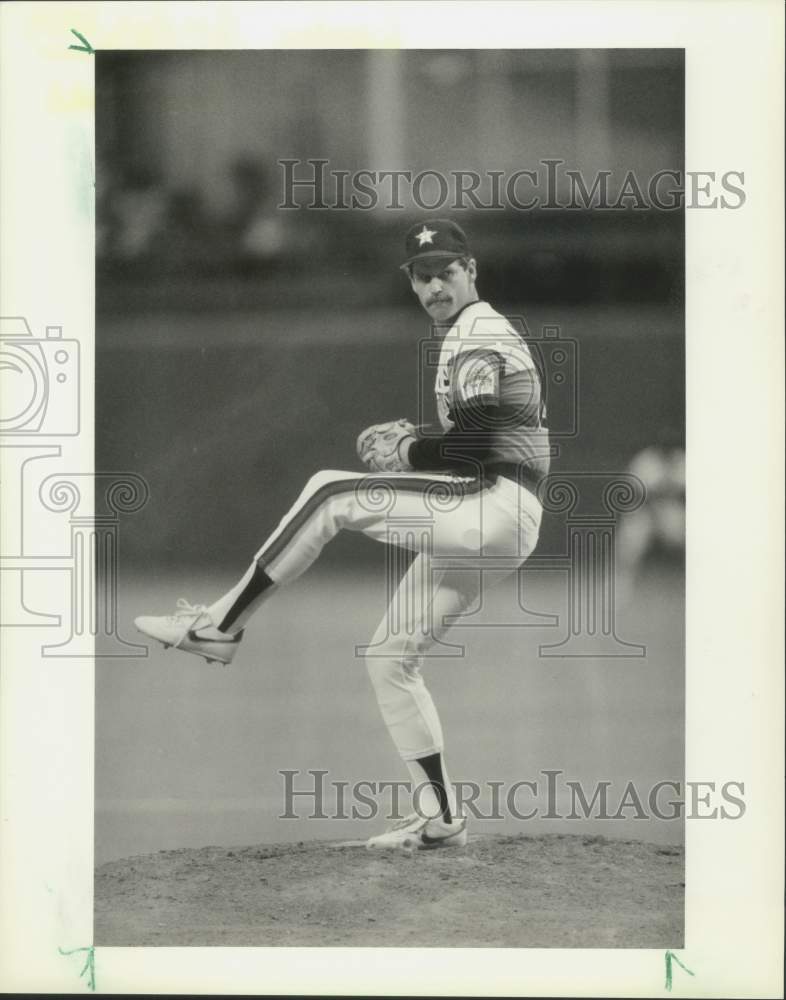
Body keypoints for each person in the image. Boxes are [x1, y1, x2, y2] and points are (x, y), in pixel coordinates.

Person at [135, 219, 551, 851]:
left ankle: (220, 626)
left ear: (472, 270)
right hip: (498, 517)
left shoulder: (478, 330)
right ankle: (441, 818)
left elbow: (476, 442)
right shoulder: (467, 334)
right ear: (411, 284)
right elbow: (475, 436)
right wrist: (419, 446)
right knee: (390, 657)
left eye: (446, 270)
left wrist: (410, 447)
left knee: (330, 492)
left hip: (495, 503)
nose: (434, 284)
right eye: (421, 275)